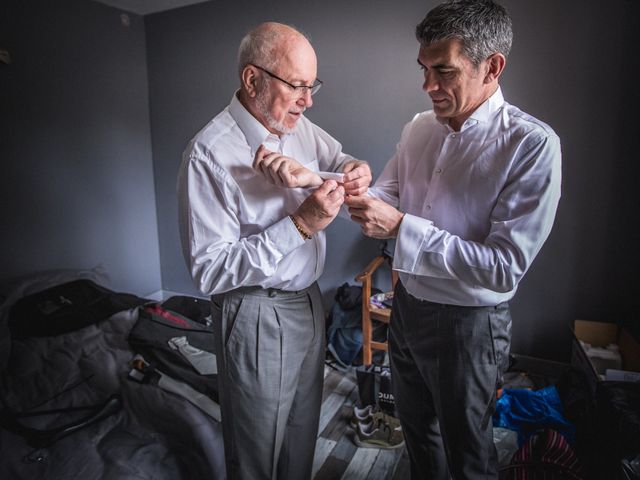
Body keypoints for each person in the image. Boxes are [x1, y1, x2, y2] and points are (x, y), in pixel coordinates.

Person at [344, 1, 562, 479]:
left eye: (443, 71)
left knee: (468, 453)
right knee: (418, 433)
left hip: (470, 326)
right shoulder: (418, 128)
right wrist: (357, 189)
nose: (427, 86)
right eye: (423, 69)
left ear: (492, 67)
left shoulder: (531, 145)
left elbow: (504, 266)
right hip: (406, 306)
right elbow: (389, 191)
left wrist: (401, 227)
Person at [176, 22, 371, 480]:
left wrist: (353, 168)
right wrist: (301, 224)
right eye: (298, 86)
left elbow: (337, 159)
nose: (308, 100)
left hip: (309, 300)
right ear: (252, 80)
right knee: (257, 447)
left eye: (312, 85)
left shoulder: (300, 128)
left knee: (303, 429)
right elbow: (208, 271)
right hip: (255, 312)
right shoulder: (207, 154)